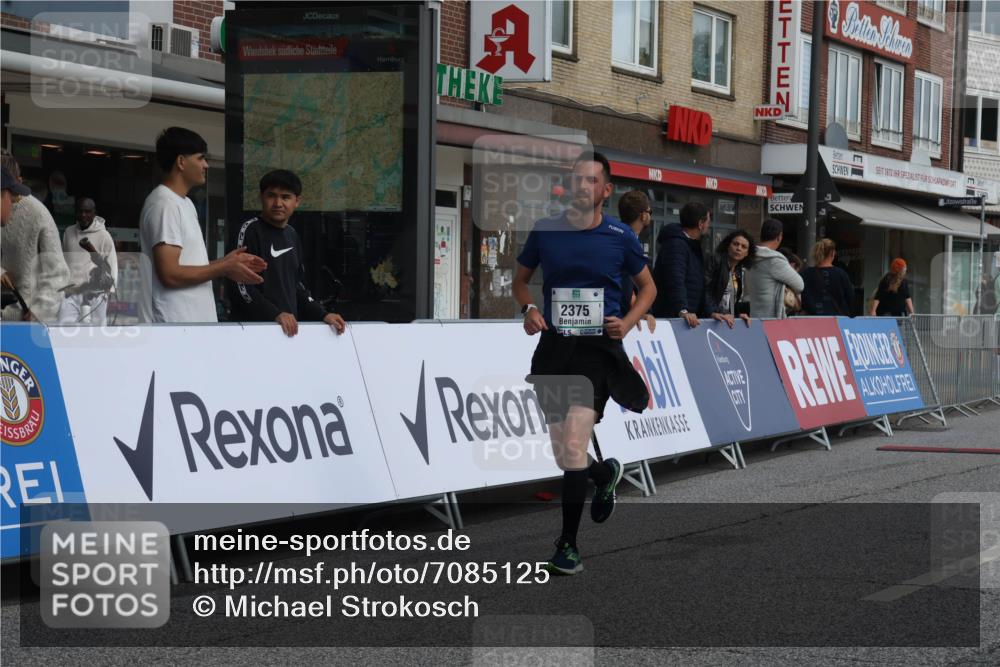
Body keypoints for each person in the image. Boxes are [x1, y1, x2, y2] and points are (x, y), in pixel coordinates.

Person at [513, 151, 655, 576]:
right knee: (564, 450)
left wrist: (626, 323)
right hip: (556, 349)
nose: (582, 187)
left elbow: (648, 289)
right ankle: (602, 473)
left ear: (605, 191)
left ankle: (568, 546)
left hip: (597, 352)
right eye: (577, 180)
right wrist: (529, 310)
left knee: (573, 440)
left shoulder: (619, 236)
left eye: (592, 181)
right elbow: (520, 282)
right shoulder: (546, 231)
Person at [140, 127, 267, 323]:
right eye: (200, 158)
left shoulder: (185, 203)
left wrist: (226, 264)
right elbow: (170, 274)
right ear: (181, 162)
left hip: (191, 325)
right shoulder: (164, 204)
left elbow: (186, 268)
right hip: (173, 325)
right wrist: (223, 267)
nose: (206, 165)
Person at [228, 169, 346, 336]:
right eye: (271, 195)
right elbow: (238, 286)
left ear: (297, 201)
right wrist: (274, 314)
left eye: (285, 197)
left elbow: (297, 286)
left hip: (287, 334)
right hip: (251, 333)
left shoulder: (292, 235)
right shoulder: (248, 230)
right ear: (261, 197)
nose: (278, 203)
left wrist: (323, 314)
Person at [0, 151, 71, 323]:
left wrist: (41, 310)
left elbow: (58, 274)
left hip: (22, 321)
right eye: (12, 191)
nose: (16, 197)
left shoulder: (38, 214)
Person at [650, 201, 728, 328]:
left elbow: (699, 285)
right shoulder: (676, 245)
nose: (709, 225)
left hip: (687, 318)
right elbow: (675, 279)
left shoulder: (693, 245)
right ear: (700, 224)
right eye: (708, 221)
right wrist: (683, 310)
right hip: (673, 319)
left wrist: (711, 311)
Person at [58, 197, 118, 325]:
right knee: (63, 328)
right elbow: (64, 261)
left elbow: (112, 263)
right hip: (71, 292)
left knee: (97, 333)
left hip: (96, 294)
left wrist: (109, 291)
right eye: (80, 211)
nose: (83, 215)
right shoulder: (68, 232)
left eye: (87, 211)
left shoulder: (104, 235)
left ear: (94, 213)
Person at [746, 218, 804, 319]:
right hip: (772, 319)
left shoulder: (750, 257)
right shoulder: (774, 260)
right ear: (779, 237)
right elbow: (800, 285)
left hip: (754, 316)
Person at [616, 189, 656, 332]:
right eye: (650, 212)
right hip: (616, 319)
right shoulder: (629, 240)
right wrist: (630, 317)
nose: (650, 216)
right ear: (643, 215)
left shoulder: (618, 236)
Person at [705, 229, 754, 326]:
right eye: (735, 244)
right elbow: (705, 289)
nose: (739, 248)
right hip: (709, 319)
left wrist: (738, 315)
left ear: (747, 253)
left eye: (743, 247)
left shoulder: (739, 270)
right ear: (728, 245)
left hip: (725, 321)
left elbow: (731, 300)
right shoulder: (715, 260)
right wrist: (712, 311)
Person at [800, 239, 854, 316]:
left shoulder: (805, 274)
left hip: (812, 319)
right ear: (832, 253)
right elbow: (850, 297)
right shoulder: (841, 273)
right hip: (837, 320)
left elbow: (801, 297)